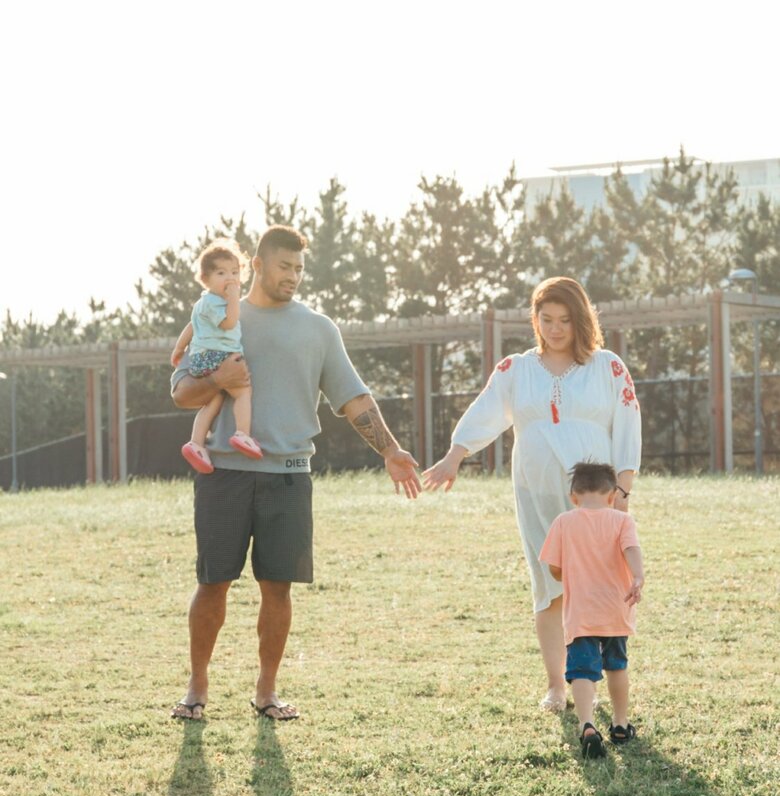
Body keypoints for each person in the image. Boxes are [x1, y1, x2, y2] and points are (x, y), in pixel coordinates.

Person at [169, 225, 421, 722]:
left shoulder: (319, 329)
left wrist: (390, 450)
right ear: (257, 265)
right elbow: (181, 393)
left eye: (300, 268)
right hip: (223, 474)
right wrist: (219, 377)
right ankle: (197, 686)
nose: (293, 276)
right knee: (212, 583)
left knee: (278, 588)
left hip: (288, 476)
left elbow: (353, 398)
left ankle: (266, 692)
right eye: (284, 266)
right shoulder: (216, 312)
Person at [422, 276, 641, 713]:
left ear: (581, 320)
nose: (555, 329)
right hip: (535, 492)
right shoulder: (517, 369)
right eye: (546, 319)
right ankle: (557, 685)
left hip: (595, 497)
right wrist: (454, 456)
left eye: (565, 320)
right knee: (550, 585)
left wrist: (623, 488)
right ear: (535, 320)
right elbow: (486, 411)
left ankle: (591, 682)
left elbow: (628, 423)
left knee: (596, 587)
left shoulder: (607, 366)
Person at [539, 461, 644, 758]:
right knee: (616, 666)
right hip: (615, 610)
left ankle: (587, 724)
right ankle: (620, 724)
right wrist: (638, 576)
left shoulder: (563, 522)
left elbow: (554, 569)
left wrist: (569, 572)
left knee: (582, 671)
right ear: (612, 495)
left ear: (573, 496)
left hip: (581, 614)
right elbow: (631, 549)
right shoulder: (622, 521)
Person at [171, 239, 263, 474]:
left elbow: (191, 327)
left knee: (214, 400)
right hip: (220, 357)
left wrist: (179, 348)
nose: (230, 278)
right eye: (221, 273)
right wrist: (234, 299)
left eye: (234, 272)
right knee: (243, 391)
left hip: (202, 360)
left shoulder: (202, 303)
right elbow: (229, 322)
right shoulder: (217, 303)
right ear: (205, 279)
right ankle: (242, 434)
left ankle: (196, 443)